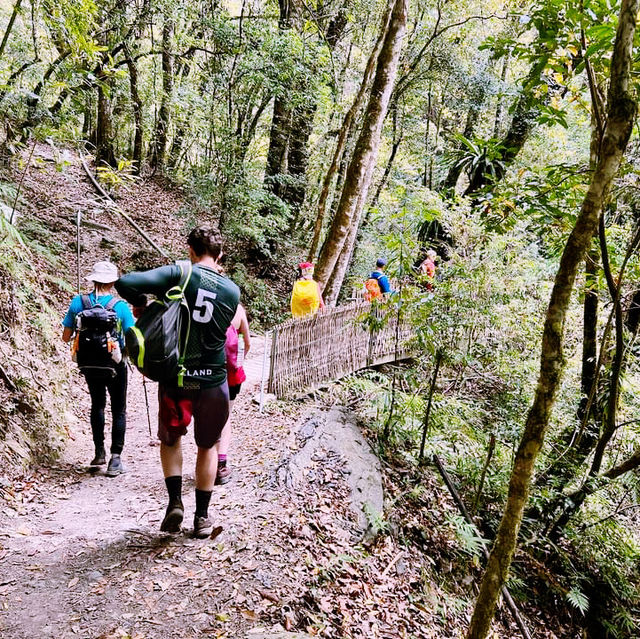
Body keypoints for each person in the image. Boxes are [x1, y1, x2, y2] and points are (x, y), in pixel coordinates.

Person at [115, 227, 240, 539]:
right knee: (208, 446)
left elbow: (125, 282)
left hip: (177, 376)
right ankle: (202, 518)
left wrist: (147, 302)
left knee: (171, 440)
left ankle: (174, 503)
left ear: (191, 251)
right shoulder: (232, 291)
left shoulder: (179, 274)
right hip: (213, 380)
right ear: (221, 254)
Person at [61, 260, 135, 476]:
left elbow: (66, 337)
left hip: (89, 364)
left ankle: (99, 452)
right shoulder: (119, 307)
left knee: (98, 405)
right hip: (115, 363)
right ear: (112, 282)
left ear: (93, 280)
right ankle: (115, 459)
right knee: (118, 409)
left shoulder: (78, 303)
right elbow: (132, 338)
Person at [216, 303, 251, 485]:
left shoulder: (207, 303)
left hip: (209, 372)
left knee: (208, 416)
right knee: (226, 417)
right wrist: (239, 360)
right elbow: (247, 342)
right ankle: (221, 465)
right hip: (231, 374)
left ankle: (207, 461)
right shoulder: (238, 309)